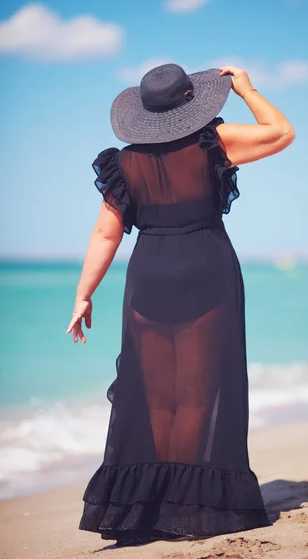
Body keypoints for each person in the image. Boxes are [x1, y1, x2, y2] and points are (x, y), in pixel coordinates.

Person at [66, 63, 295, 546]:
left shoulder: (123, 162)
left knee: (153, 394)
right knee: (197, 391)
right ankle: (186, 508)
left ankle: (144, 508)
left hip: (148, 275)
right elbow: (280, 133)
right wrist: (247, 89)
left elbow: (106, 231)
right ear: (193, 102)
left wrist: (83, 294)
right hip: (206, 270)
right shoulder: (216, 141)